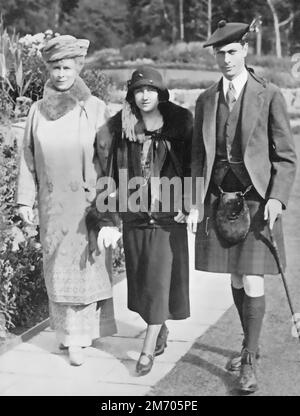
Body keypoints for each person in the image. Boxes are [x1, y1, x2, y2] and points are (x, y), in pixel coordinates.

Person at [188, 20, 297, 393]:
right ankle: (248, 342)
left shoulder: (269, 95)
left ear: (245, 50)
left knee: (251, 278)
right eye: (220, 53)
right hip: (220, 200)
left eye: (232, 51)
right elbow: (196, 160)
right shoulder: (205, 100)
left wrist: (278, 198)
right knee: (235, 277)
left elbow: (285, 156)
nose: (226, 59)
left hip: (256, 200)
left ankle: (249, 359)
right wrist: (194, 204)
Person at [15, 35, 120, 366]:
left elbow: (110, 156)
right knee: (58, 268)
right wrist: (24, 201)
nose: (61, 74)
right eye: (55, 67)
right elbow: (27, 157)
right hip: (53, 206)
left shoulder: (96, 108)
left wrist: (111, 197)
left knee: (85, 268)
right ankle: (66, 335)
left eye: (66, 67)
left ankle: (81, 336)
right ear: (48, 69)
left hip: (87, 205)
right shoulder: (37, 111)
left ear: (78, 67)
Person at [94, 66, 193, 375]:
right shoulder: (119, 128)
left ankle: (146, 351)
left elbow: (194, 164)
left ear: (161, 94)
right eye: (139, 90)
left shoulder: (179, 125)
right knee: (144, 285)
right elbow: (106, 173)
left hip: (167, 217)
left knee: (160, 280)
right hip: (135, 215)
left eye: (151, 90)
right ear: (131, 95)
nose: (145, 95)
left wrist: (189, 202)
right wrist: (107, 216)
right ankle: (158, 327)